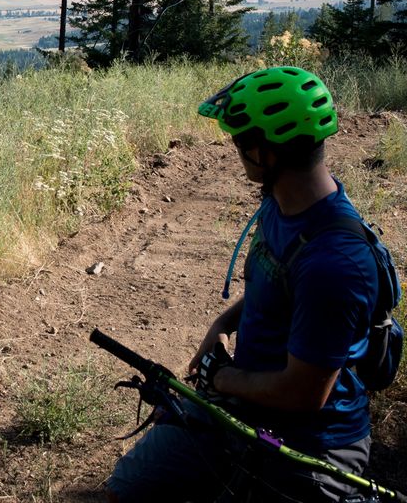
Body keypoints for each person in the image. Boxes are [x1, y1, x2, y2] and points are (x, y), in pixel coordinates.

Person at [104, 66, 381, 503]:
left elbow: (304, 394)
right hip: (241, 407)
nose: (235, 152)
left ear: (265, 152)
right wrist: (223, 323)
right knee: (128, 489)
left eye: (239, 142)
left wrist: (225, 378)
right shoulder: (281, 206)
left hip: (310, 442)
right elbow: (276, 286)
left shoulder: (335, 262)